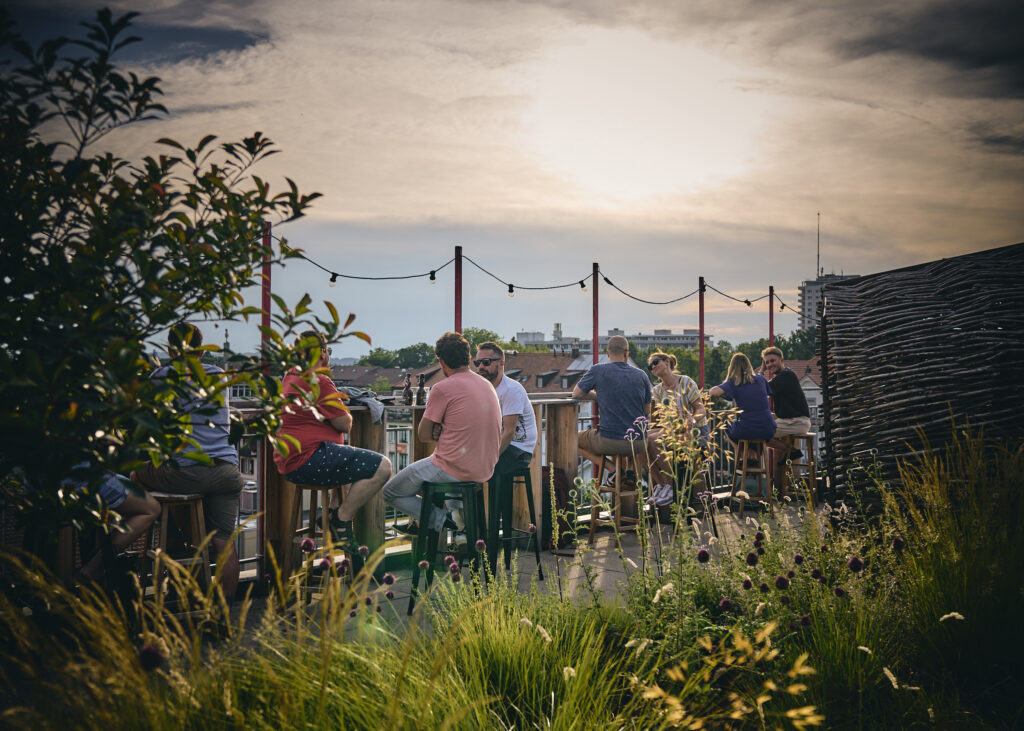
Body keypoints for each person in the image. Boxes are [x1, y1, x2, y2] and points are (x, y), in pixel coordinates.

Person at [133, 323, 244, 599]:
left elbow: (149, 422)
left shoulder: (161, 376)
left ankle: (163, 532)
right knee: (225, 545)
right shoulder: (218, 374)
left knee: (134, 475)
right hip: (227, 471)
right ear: (201, 351)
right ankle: (222, 619)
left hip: (186, 472)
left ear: (171, 350)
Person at [274, 331, 393, 551]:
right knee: (383, 467)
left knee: (349, 465)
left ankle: (335, 515)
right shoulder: (318, 379)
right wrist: (344, 410)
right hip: (310, 459)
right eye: (328, 351)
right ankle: (340, 520)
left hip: (289, 463)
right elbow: (344, 424)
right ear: (321, 353)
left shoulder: (289, 377)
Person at [382, 332, 501, 534]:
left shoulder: (442, 388)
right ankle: (457, 522)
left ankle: (441, 519)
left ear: (441, 361)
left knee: (391, 491)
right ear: (468, 357)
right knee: (441, 476)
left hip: (454, 468)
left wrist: (441, 429)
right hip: (484, 469)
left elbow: (423, 435)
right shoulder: (487, 385)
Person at [573, 335, 653, 480]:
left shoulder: (598, 370)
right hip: (639, 444)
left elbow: (576, 394)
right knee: (631, 426)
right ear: (627, 353)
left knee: (572, 439)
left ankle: (612, 469)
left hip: (609, 441)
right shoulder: (642, 375)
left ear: (608, 353)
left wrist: (599, 396)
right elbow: (647, 412)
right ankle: (629, 470)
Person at [73, 470, 161, 583]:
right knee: (152, 508)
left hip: (58, 484)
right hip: (86, 481)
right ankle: (93, 568)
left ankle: (97, 571)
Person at [645, 351, 708, 506]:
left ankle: (671, 486)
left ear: (667, 361)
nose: (653, 367)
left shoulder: (686, 382)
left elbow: (701, 409)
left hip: (696, 431)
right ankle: (663, 484)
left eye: (656, 362)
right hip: (674, 430)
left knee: (653, 439)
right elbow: (663, 419)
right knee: (640, 439)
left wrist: (690, 420)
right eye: (650, 366)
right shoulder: (657, 391)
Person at [474, 342, 537, 477]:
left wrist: (489, 458)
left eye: (486, 362)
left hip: (519, 449)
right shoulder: (483, 389)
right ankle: (471, 498)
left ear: (501, 363)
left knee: (483, 466)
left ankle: (497, 499)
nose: (480, 367)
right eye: (477, 363)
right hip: (500, 444)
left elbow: (509, 432)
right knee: (464, 461)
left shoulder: (510, 390)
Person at [760, 345, 812, 490]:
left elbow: (761, 389)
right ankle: (788, 451)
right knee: (761, 431)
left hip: (797, 422)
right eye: (767, 362)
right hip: (789, 421)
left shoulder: (785, 376)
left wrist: (762, 371)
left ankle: (790, 450)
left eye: (772, 361)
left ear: (781, 360)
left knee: (758, 433)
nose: (770, 365)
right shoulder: (783, 376)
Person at [707, 352, 776, 447]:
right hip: (769, 429)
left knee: (726, 425)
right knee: (753, 433)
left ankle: (742, 457)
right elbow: (758, 378)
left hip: (747, 430)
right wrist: (761, 370)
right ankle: (753, 457)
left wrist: (709, 391)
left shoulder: (734, 383)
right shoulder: (761, 379)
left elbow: (714, 392)